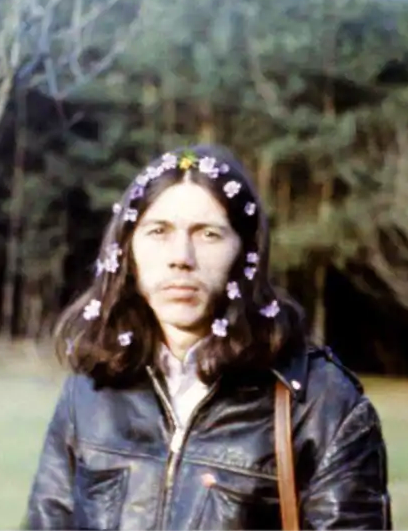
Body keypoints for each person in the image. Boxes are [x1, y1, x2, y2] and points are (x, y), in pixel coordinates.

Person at [25, 144, 392, 530]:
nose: (181, 257)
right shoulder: (88, 390)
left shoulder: (319, 405)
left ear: (246, 252)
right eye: (159, 231)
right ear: (128, 250)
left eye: (208, 234)